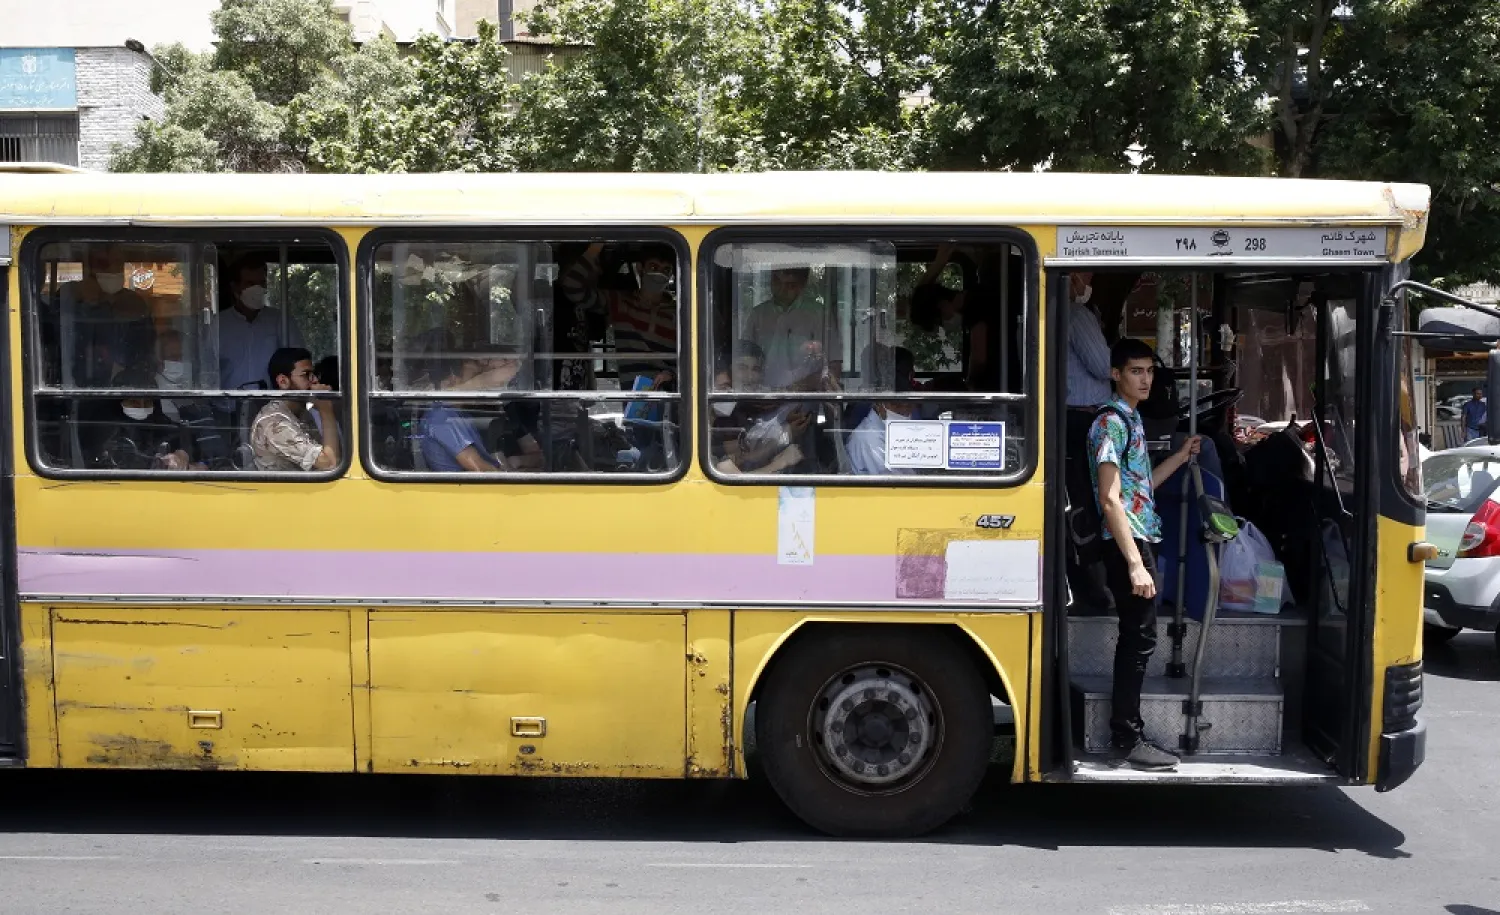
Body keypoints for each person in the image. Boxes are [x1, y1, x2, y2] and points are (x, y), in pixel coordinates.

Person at [1089, 337, 1201, 771]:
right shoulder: (1111, 423)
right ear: (1116, 374)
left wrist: (1178, 457)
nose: (1145, 379)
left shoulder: (1130, 420)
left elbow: (1139, 489)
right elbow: (1110, 498)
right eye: (1136, 371)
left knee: (1141, 637)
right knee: (1139, 639)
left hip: (1138, 535)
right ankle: (1126, 736)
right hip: (1127, 542)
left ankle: (1128, 732)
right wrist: (1135, 562)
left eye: (1150, 371)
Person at [561, 244, 677, 394]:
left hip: (672, 396)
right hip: (632, 397)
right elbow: (573, 288)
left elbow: (693, 356)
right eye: (654, 268)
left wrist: (672, 374)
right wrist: (596, 245)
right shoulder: (619, 302)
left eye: (666, 270)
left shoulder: (679, 312)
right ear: (640, 269)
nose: (659, 274)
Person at [1065, 270, 1116, 608]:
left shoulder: (1042, 313)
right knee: (1095, 502)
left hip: (1064, 417)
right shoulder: (1076, 315)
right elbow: (1103, 366)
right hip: (1083, 417)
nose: (1090, 280)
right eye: (1085, 274)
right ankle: (1094, 591)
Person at [212, 258, 304, 422]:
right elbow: (205, 368)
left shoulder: (280, 320)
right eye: (250, 283)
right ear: (235, 287)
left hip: (271, 412)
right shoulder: (218, 324)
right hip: (224, 411)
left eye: (261, 283)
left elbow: (299, 363)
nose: (257, 289)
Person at [419, 344, 526, 473]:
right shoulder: (442, 417)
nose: (478, 386)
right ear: (453, 379)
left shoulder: (461, 413)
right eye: (473, 378)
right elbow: (479, 469)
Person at [57, 245, 155, 387]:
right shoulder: (72, 294)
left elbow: (147, 344)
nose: (111, 268)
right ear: (90, 268)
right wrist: (88, 300)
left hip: (127, 383)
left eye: (117, 263)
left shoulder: (133, 300)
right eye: (103, 263)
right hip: (82, 383)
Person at [742, 266, 843, 390]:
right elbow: (743, 358)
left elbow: (834, 366)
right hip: (763, 398)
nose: (782, 289)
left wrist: (801, 387)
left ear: (802, 284)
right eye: (777, 282)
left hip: (805, 401)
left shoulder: (819, 314)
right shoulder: (758, 314)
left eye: (790, 285)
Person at [88, 368, 199, 471]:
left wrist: (181, 454)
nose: (141, 406)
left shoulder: (161, 425)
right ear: (119, 400)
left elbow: (185, 445)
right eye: (134, 402)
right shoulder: (100, 428)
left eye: (147, 402)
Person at [249, 347, 339, 472]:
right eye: (306, 375)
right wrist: (326, 410)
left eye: (314, 374)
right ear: (283, 381)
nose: (315, 380)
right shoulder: (274, 423)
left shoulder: (301, 413)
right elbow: (329, 464)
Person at [847, 348, 918, 476]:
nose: (904, 412)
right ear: (879, 405)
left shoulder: (892, 432)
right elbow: (896, 482)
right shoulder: (868, 439)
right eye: (897, 406)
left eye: (908, 407)